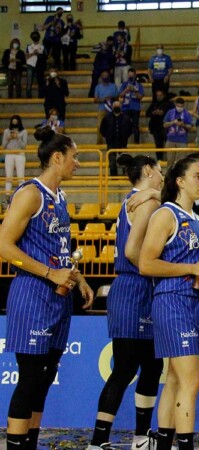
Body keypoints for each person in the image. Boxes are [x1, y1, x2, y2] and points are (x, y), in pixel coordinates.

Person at [0, 127, 94, 450]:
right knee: (29, 379)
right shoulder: (31, 194)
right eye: (74, 157)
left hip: (59, 297)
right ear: (57, 157)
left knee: (43, 379)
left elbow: (59, 249)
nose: (77, 163)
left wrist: (78, 277)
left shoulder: (61, 197)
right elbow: (4, 246)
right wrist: (50, 273)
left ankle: (31, 443)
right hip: (32, 293)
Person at [139, 155, 199, 450]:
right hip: (173, 301)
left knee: (174, 380)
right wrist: (193, 268)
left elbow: (189, 261)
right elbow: (146, 263)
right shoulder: (165, 215)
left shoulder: (192, 218)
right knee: (191, 381)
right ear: (179, 181)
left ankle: (164, 444)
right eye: (197, 176)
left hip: (193, 301)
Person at [87, 154, 164, 450]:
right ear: (148, 171)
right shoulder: (145, 203)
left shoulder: (135, 199)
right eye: (159, 171)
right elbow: (133, 251)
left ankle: (139, 437)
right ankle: (101, 440)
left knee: (150, 366)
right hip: (136, 286)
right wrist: (157, 268)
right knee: (127, 368)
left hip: (132, 286)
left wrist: (156, 194)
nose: (162, 176)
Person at [101, 100, 133, 177]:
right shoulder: (107, 118)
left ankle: (125, 176)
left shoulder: (126, 118)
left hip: (123, 143)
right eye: (115, 106)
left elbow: (130, 129)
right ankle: (114, 178)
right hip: (111, 143)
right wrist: (108, 137)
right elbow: (102, 129)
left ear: (121, 107)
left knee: (125, 161)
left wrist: (125, 136)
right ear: (112, 107)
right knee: (112, 162)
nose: (116, 107)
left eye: (118, 106)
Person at [2, 115, 28, 196]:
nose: (14, 124)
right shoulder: (6, 131)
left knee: (20, 177)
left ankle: (21, 195)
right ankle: (7, 195)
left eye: (16, 122)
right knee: (9, 177)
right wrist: (8, 138)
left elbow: (24, 146)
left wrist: (17, 137)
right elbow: (3, 145)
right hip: (9, 154)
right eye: (13, 122)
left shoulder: (24, 131)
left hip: (20, 154)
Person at [163, 98, 193, 167]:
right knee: (170, 160)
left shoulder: (187, 114)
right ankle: (169, 173)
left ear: (183, 105)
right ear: (175, 105)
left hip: (182, 140)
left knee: (181, 161)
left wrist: (183, 124)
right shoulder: (170, 112)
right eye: (178, 106)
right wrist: (173, 122)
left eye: (181, 106)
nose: (179, 108)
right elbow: (164, 124)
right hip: (171, 139)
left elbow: (190, 127)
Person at [147, 89, 175, 161]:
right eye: (157, 95)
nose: (158, 97)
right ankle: (159, 159)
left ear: (164, 95)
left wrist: (163, 113)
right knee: (158, 144)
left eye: (160, 95)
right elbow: (147, 113)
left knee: (168, 144)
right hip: (156, 127)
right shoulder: (154, 103)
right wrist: (153, 112)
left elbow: (173, 113)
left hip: (166, 127)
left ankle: (170, 159)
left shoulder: (169, 103)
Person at [119, 67, 144, 144]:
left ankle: (136, 142)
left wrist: (135, 91)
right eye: (129, 75)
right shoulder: (124, 84)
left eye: (132, 76)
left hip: (135, 108)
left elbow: (140, 97)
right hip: (125, 108)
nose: (130, 77)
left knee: (135, 125)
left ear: (135, 75)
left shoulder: (139, 85)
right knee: (125, 125)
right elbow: (120, 95)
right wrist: (126, 90)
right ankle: (124, 142)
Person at [94, 70, 118, 145]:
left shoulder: (113, 86)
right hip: (102, 110)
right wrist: (104, 99)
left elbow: (117, 97)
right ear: (101, 77)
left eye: (106, 75)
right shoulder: (98, 87)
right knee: (99, 126)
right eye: (103, 75)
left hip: (112, 110)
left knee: (114, 127)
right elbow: (95, 100)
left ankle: (113, 143)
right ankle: (99, 144)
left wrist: (111, 98)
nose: (105, 77)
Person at [25, 31, 46, 99]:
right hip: (30, 64)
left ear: (39, 37)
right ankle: (28, 96)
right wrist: (33, 53)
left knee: (40, 81)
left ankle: (41, 96)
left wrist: (39, 54)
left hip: (40, 65)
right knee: (29, 81)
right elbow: (26, 57)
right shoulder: (29, 46)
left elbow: (46, 56)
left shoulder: (42, 46)